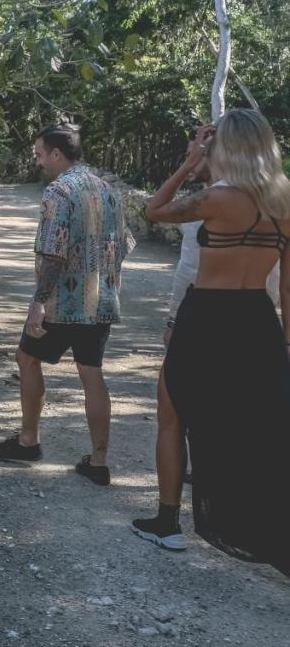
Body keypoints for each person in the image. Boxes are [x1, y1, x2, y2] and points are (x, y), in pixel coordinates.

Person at [129, 110, 290, 575]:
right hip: (257, 319)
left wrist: (189, 162)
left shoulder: (218, 199)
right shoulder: (283, 203)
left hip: (209, 317)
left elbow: (154, 209)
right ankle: (271, 531)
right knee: (255, 427)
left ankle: (166, 520)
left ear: (226, 147)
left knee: (172, 412)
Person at [0, 124, 134, 486]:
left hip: (63, 302)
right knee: (91, 373)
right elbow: (126, 244)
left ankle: (28, 441)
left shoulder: (59, 191)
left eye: (39, 154)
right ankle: (99, 461)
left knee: (27, 358)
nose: (37, 161)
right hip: (101, 300)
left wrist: (39, 302)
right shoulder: (108, 190)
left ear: (57, 154)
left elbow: (53, 251)